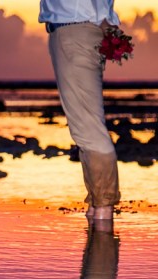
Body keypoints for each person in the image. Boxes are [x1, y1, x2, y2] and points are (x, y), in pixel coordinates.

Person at [39, 0, 121, 226]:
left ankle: (103, 210)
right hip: (79, 31)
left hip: (75, 31)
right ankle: (97, 211)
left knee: (88, 129)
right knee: (85, 126)